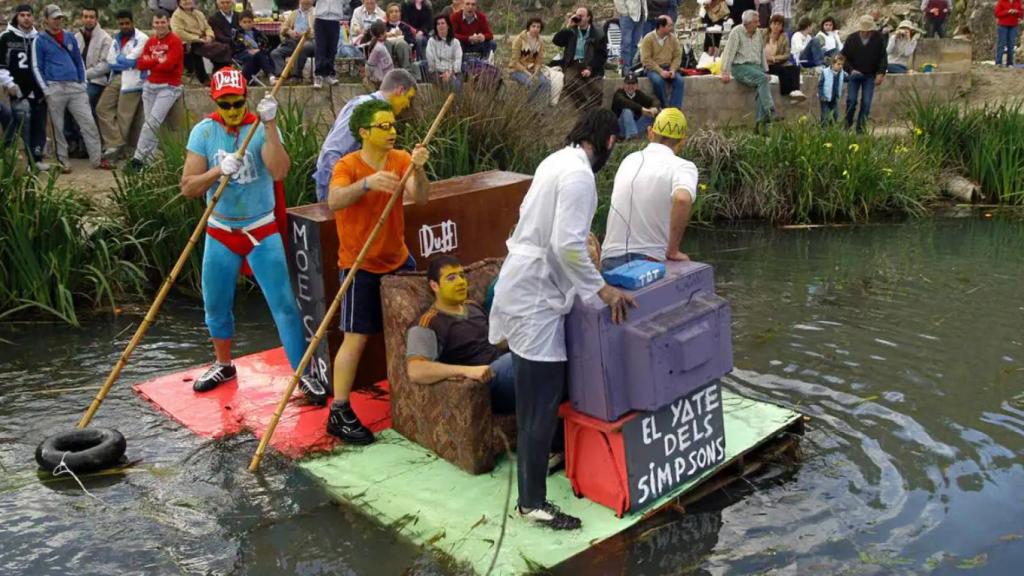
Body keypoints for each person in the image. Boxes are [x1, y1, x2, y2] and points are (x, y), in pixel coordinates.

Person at [488, 108, 635, 531]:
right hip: (534, 299)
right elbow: (567, 244)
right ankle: (532, 502)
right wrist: (603, 289)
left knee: (535, 400)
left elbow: (556, 238)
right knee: (539, 406)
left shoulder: (555, 161)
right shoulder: (579, 176)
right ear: (608, 142)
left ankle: (533, 484)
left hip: (525, 286)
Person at [180, 67, 326, 404]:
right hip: (220, 230)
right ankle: (223, 364)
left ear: (247, 98)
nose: (233, 111)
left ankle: (303, 375)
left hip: (261, 228)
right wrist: (218, 171)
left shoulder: (259, 129)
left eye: (238, 103)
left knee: (285, 306)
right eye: (225, 104)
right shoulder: (203, 131)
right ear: (214, 101)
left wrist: (271, 125)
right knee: (215, 303)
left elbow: (280, 170)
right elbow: (188, 186)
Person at [325, 98, 431, 444]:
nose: (392, 132)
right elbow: (334, 200)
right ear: (364, 132)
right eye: (384, 127)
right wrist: (367, 185)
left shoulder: (400, 159)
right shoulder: (348, 164)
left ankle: (416, 392)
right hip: (360, 265)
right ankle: (339, 410)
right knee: (355, 337)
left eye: (393, 126)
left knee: (416, 329)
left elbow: (421, 197)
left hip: (398, 260)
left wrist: (417, 168)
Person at [405, 255, 514, 415]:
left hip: (505, 367)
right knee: (521, 362)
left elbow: (496, 342)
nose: (460, 282)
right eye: (451, 278)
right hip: (484, 385)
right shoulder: (428, 323)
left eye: (461, 276)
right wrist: (467, 371)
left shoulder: (472, 306)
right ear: (434, 285)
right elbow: (416, 370)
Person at [601, 107, 696, 271]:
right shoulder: (683, 167)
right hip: (649, 259)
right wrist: (672, 251)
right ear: (682, 141)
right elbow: (682, 199)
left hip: (609, 257)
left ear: (650, 132)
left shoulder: (629, 160)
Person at [314, 68, 417, 202]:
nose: (408, 104)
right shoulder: (362, 107)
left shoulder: (381, 112)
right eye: (408, 98)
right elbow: (332, 151)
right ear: (400, 90)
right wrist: (338, 189)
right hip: (339, 186)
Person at [31, 4, 111, 172]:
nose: (58, 21)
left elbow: (78, 61)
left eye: (60, 18)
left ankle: (97, 159)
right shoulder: (39, 40)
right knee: (58, 128)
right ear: (46, 20)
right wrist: (46, 89)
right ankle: (63, 161)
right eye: (54, 18)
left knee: (88, 123)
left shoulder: (69, 36)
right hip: (55, 87)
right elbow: (37, 66)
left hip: (75, 86)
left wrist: (82, 82)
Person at [131, 9, 184, 166]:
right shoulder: (151, 41)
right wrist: (158, 59)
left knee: (152, 123)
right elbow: (140, 64)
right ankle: (150, 161)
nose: (160, 25)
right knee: (150, 124)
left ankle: (138, 159)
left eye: (163, 22)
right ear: (153, 24)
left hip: (168, 87)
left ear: (168, 22)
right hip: (150, 86)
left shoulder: (175, 41)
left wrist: (152, 60)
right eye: (157, 22)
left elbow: (169, 65)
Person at [0, 4, 49, 170]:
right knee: (24, 126)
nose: (26, 18)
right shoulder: (6, 37)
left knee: (39, 125)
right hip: (18, 90)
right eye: (22, 15)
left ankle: (37, 158)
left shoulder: (40, 38)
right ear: (17, 17)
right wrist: (9, 83)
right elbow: (1, 65)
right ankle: (26, 162)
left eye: (29, 15)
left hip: (38, 89)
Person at [95, 9, 148, 161]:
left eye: (127, 23)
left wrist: (123, 61)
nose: (124, 26)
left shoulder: (142, 38)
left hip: (133, 80)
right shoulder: (116, 38)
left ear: (132, 23)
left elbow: (131, 61)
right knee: (102, 108)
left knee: (123, 116)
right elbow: (111, 62)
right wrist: (124, 62)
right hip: (117, 77)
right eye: (121, 24)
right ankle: (116, 143)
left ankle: (116, 152)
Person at [720, 10, 774, 129]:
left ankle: (760, 124)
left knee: (763, 83)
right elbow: (729, 52)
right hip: (740, 66)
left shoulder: (758, 33)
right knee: (763, 80)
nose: (759, 24)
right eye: (756, 22)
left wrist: (765, 70)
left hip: (755, 67)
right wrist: (725, 71)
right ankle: (770, 110)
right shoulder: (736, 32)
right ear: (748, 23)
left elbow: (761, 53)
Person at [553, 6, 607, 111]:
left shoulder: (598, 34)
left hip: (590, 64)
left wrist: (590, 68)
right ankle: (585, 109)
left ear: (588, 18)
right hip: (573, 63)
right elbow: (557, 41)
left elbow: (602, 55)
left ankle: (592, 112)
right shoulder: (571, 30)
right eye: (577, 15)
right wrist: (568, 26)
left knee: (597, 91)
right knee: (568, 82)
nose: (578, 18)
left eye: (581, 16)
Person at [841, 15, 887, 133]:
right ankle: (847, 125)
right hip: (854, 75)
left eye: (868, 31)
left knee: (866, 102)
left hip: (870, 75)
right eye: (864, 31)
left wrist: (880, 73)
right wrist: (851, 70)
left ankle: (860, 129)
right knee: (851, 100)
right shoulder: (851, 39)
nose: (866, 33)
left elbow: (883, 57)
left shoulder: (879, 38)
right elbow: (843, 58)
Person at [171, 0, 231, 85]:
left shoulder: (198, 13)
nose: (187, 1)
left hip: (204, 40)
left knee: (223, 48)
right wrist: (198, 38)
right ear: (179, 2)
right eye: (184, 0)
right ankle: (205, 79)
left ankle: (220, 73)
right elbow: (178, 32)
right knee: (198, 51)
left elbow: (207, 27)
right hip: (189, 43)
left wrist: (209, 36)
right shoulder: (176, 16)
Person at [639, 15, 684, 109]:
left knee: (680, 81)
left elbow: (677, 56)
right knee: (658, 81)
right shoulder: (648, 39)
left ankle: (674, 109)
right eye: (669, 26)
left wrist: (673, 69)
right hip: (653, 69)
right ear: (661, 26)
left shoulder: (673, 39)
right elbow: (646, 59)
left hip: (668, 67)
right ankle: (665, 107)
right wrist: (660, 71)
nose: (672, 28)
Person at [74, 7, 112, 110]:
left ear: (96, 19)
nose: (88, 20)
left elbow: (105, 65)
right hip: (77, 80)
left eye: (91, 17)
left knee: (84, 100)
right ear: (82, 18)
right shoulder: (77, 37)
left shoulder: (105, 38)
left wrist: (84, 74)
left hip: (96, 81)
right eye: (85, 17)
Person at [271, 0, 315, 82]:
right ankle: (282, 75)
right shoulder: (294, 13)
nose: (306, 2)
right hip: (293, 41)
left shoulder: (316, 14)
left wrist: (304, 34)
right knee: (275, 53)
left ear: (312, 1)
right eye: (304, 1)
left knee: (302, 48)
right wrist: (289, 31)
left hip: (309, 41)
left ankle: (296, 76)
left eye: (308, 0)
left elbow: (316, 32)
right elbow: (283, 27)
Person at [509, 17, 550, 104]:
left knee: (546, 83)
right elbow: (514, 61)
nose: (536, 29)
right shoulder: (519, 39)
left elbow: (539, 61)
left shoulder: (540, 42)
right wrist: (527, 73)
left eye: (538, 27)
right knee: (532, 83)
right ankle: (528, 106)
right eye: (533, 26)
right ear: (529, 27)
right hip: (517, 69)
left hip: (532, 69)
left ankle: (538, 110)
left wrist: (535, 72)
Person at [765, 14, 805, 102]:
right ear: (770, 24)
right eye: (774, 24)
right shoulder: (763, 34)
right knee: (782, 70)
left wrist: (774, 58)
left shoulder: (784, 37)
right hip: (765, 64)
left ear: (782, 27)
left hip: (777, 62)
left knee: (795, 68)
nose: (776, 26)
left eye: (779, 24)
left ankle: (796, 91)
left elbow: (787, 54)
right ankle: (788, 93)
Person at [612, 72, 657, 140]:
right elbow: (626, 103)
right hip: (620, 130)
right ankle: (632, 138)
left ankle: (634, 137)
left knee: (651, 115)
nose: (630, 86)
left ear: (636, 85)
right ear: (624, 85)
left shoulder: (638, 94)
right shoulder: (619, 94)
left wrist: (654, 108)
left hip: (635, 126)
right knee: (627, 111)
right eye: (628, 84)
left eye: (633, 84)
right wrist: (641, 109)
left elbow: (653, 101)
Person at [234, 11, 275, 83]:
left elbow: (266, 45)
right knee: (257, 55)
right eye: (245, 22)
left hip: (257, 56)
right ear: (240, 23)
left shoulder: (258, 33)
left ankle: (270, 75)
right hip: (243, 55)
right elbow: (237, 46)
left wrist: (258, 50)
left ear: (253, 22)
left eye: (249, 22)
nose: (247, 24)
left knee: (261, 54)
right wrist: (248, 51)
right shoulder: (238, 34)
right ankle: (270, 75)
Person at [313, 0, 346, 88]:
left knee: (332, 48)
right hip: (320, 18)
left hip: (335, 19)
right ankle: (318, 74)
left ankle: (329, 73)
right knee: (320, 47)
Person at [426, 14, 462, 91]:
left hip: (453, 72)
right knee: (445, 82)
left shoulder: (455, 42)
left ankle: (457, 103)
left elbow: (458, 60)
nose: (440, 25)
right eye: (438, 24)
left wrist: (451, 72)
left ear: (448, 26)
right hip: (437, 72)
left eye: (443, 23)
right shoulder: (431, 41)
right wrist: (445, 71)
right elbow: (432, 62)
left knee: (456, 83)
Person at [615, 0, 647, 75]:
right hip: (628, 16)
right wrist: (625, 12)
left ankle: (631, 67)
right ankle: (625, 68)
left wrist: (645, 12)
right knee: (626, 43)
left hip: (640, 15)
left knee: (635, 44)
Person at [382, 3, 415, 71]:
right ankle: (387, 70)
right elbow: (377, 39)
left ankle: (406, 71)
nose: (394, 14)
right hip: (388, 47)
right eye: (391, 12)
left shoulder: (405, 27)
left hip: (402, 48)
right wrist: (386, 35)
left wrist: (402, 35)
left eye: (396, 11)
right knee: (386, 43)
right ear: (388, 15)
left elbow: (413, 42)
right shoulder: (383, 27)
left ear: (400, 14)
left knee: (401, 43)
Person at [818, 53, 846, 125]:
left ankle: (831, 129)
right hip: (825, 98)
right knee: (825, 115)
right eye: (838, 64)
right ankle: (823, 130)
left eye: (842, 64)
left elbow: (848, 78)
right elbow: (820, 85)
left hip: (834, 98)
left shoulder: (842, 73)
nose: (840, 66)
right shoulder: (825, 72)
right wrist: (821, 96)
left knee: (835, 114)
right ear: (833, 64)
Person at [995, 0, 1022, 67]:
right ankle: (998, 62)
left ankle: (1010, 63)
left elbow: (1022, 13)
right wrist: (1008, 12)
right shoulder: (1002, 1)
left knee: (1011, 44)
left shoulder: (1018, 2)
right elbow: (997, 14)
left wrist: (1017, 12)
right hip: (1003, 25)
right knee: (1001, 44)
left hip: (1013, 25)